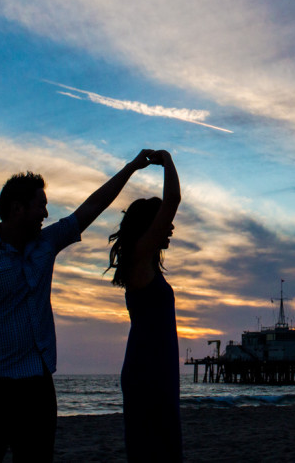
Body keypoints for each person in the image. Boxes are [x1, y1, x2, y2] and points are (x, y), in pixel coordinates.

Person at [0, 149, 165, 462]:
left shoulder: (46, 244)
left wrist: (130, 168)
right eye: (40, 206)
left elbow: (93, 207)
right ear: (17, 209)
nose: (46, 214)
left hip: (36, 386)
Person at [106, 149, 182, 462]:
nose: (171, 228)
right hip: (148, 372)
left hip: (158, 369)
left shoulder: (146, 263)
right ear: (149, 228)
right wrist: (166, 158)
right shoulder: (139, 258)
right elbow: (173, 200)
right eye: (163, 223)